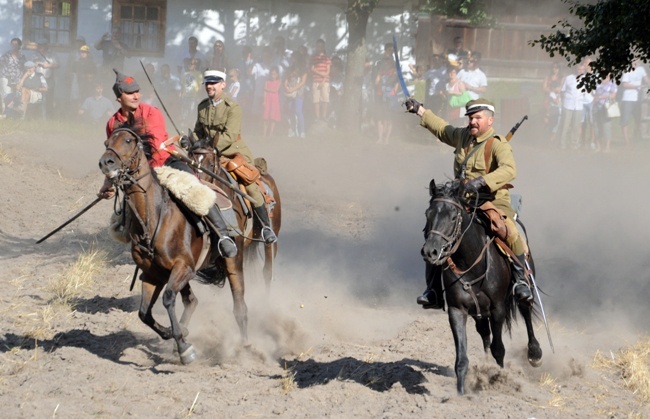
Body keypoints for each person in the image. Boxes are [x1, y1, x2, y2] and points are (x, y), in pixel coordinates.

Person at [403, 97, 533, 309]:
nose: (473, 122)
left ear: (490, 120)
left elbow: (510, 170)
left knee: (509, 230)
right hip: (462, 201)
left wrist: (482, 181)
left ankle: (520, 281)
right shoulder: (463, 137)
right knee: (436, 232)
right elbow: (442, 129)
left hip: (492, 200)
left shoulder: (498, 144)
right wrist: (420, 111)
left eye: (478, 118)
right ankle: (433, 290)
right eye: (471, 118)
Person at [98, 69, 237, 258]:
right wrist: (108, 183)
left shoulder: (151, 113)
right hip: (137, 174)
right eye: (130, 93)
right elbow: (113, 155)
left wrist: (147, 175)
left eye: (137, 91)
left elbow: (155, 148)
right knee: (126, 212)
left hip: (165, 164)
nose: (136, 96)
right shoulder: (113, 123)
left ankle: (223, 236)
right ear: (119, 97)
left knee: (195, 189)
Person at [193, 69, 278, 244]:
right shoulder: (202, 106)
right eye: (207, 83)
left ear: (223, 84)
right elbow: (198, 132)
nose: (210, 86)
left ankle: (265, 227)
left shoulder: (233, 107)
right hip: (209, 155)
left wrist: (209, 148)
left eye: (214, 83)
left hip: (232, 152)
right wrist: (190, 142)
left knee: (250, 183)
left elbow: (230, 136)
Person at [620, 61, 649, 146]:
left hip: (639, 99)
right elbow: (624, 84)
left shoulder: (641, 69)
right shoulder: (627, 70)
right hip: (628, 98)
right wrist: (637, 86)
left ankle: (636, 136)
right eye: (634, 61)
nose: (636, 63)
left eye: (638, 61)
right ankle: (627, 141)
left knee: (639, 118)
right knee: (625, 120)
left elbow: (647, 80)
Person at [0, 38, 27, 117]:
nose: (14, 46)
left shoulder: (22, 56)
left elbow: (25, 68)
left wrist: (22, 80)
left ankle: (13, 114)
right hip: (6, 78)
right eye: (12, 44)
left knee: (16, 96)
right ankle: (4, 113)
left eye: (16, 44)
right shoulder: (7, 55)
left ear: (19, 45)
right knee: (6, 95)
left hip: (17, 79)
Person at [310, 38, 331, 121]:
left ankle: (324, 116)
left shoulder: (327, 57)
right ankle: (317, 117)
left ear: (324, 47)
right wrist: (321, 74)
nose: (320, 48)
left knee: (325, 99)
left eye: (321, 46)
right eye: (318, 46)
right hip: (315, 81)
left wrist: (323, 80)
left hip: (325, 81)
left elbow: (328, 70)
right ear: (316, 47)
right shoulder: (313, 57)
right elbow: (312, 69)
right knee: (316, 99)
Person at [263, 66, 281, 137]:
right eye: (272, 74)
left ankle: (270, 134)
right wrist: (264, 101)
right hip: (268, 100)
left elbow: (275, 90)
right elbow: (265, 92)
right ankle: (264, 134)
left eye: (274, 74)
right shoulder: (267, 81)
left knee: (273, 117)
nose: (273, 76)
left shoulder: (279, 81)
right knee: (266, 117)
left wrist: (267, 89)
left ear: (277, 75)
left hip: (274, 101)